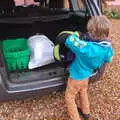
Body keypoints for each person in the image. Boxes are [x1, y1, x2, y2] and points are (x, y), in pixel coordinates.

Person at [56, 15, 114, 120]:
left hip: (76, 76)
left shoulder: (87, 48)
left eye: (89, 32)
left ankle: (75, 117)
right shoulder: (107, 47)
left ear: (93, 34)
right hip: (87, 74)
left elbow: (71, 41)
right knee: (83, 92)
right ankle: (86, 112)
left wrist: (74, 35)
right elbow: (108, 59)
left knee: (69, 97)